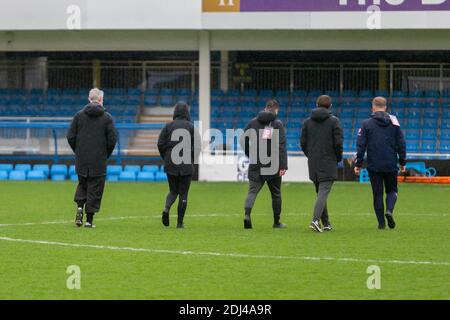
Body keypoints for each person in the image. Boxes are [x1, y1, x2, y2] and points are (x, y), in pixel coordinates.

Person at [67, 88, 117, 228]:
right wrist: (104, 154)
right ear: (100, 100)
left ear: (89, 99)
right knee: (95, 188)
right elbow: (112, 139)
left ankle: (79, 208)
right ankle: (89, 220)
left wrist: (78, 151)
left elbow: (70, 136)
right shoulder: (107, 118)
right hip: (98, 160)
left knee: (82, 184)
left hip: (82, 159)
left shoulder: (78, 116)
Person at [355, 97, 406, 230]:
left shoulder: (366, 123)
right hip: (390, 163)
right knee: (392, 190)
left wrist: (358, 164)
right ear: (385, 107)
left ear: (373, 107)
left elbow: (361, 145)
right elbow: (401, 143)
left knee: (377, 194)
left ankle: (381, 224)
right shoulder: (394, 123)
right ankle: (389, 210)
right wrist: (402, 161)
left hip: (374, 164)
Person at [240, 99, 288, 229]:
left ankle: (247, 215)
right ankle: (276, 222)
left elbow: (242, 139)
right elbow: (281, 146)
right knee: (276, 193)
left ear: (265, 108)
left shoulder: (253, 122)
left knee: (252, 192)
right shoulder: (277, 123)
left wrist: (250, 154)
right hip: (273, 164)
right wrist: (283, 166)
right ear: (276, 109)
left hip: (256, 163)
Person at [300, 95, 343, 233]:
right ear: (329, 106)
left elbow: (303, 143)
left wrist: (310, 155)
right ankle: (315, 220)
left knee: (320, 192)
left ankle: (326, 223)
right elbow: (338, 143)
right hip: (328, 162)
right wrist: (337, 157)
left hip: (313, 162)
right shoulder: (334, 121)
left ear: (316, 104)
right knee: (323, 192)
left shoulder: (307, 122)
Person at [157, 102, 200, 229]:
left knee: (173, 191)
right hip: (186, 163)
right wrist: (191, 159)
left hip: (171, 163)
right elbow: (197, 146)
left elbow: (160, 144)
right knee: (183, 193)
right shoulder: (191, 127)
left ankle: (166, 208)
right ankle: (180, 223)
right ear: (187, 113)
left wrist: (166, 157)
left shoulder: (168, 126)